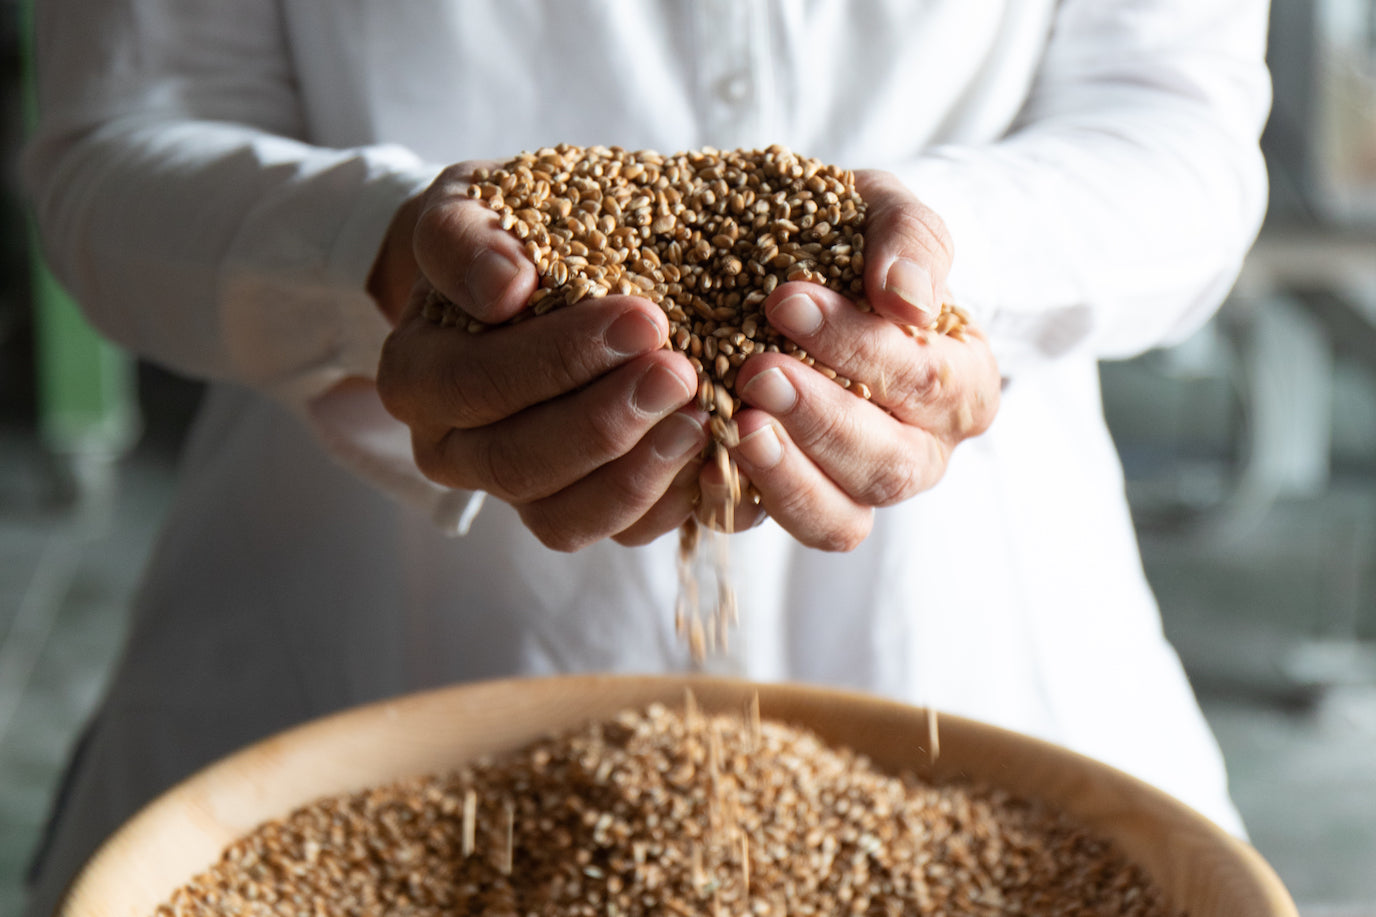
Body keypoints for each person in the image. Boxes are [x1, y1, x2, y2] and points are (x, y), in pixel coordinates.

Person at [22, 1, 1270, 913]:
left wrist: (939, 284)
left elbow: (1180, 129)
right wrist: (381, 256)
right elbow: (114, 147)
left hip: (970, 632)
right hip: (353, 651)